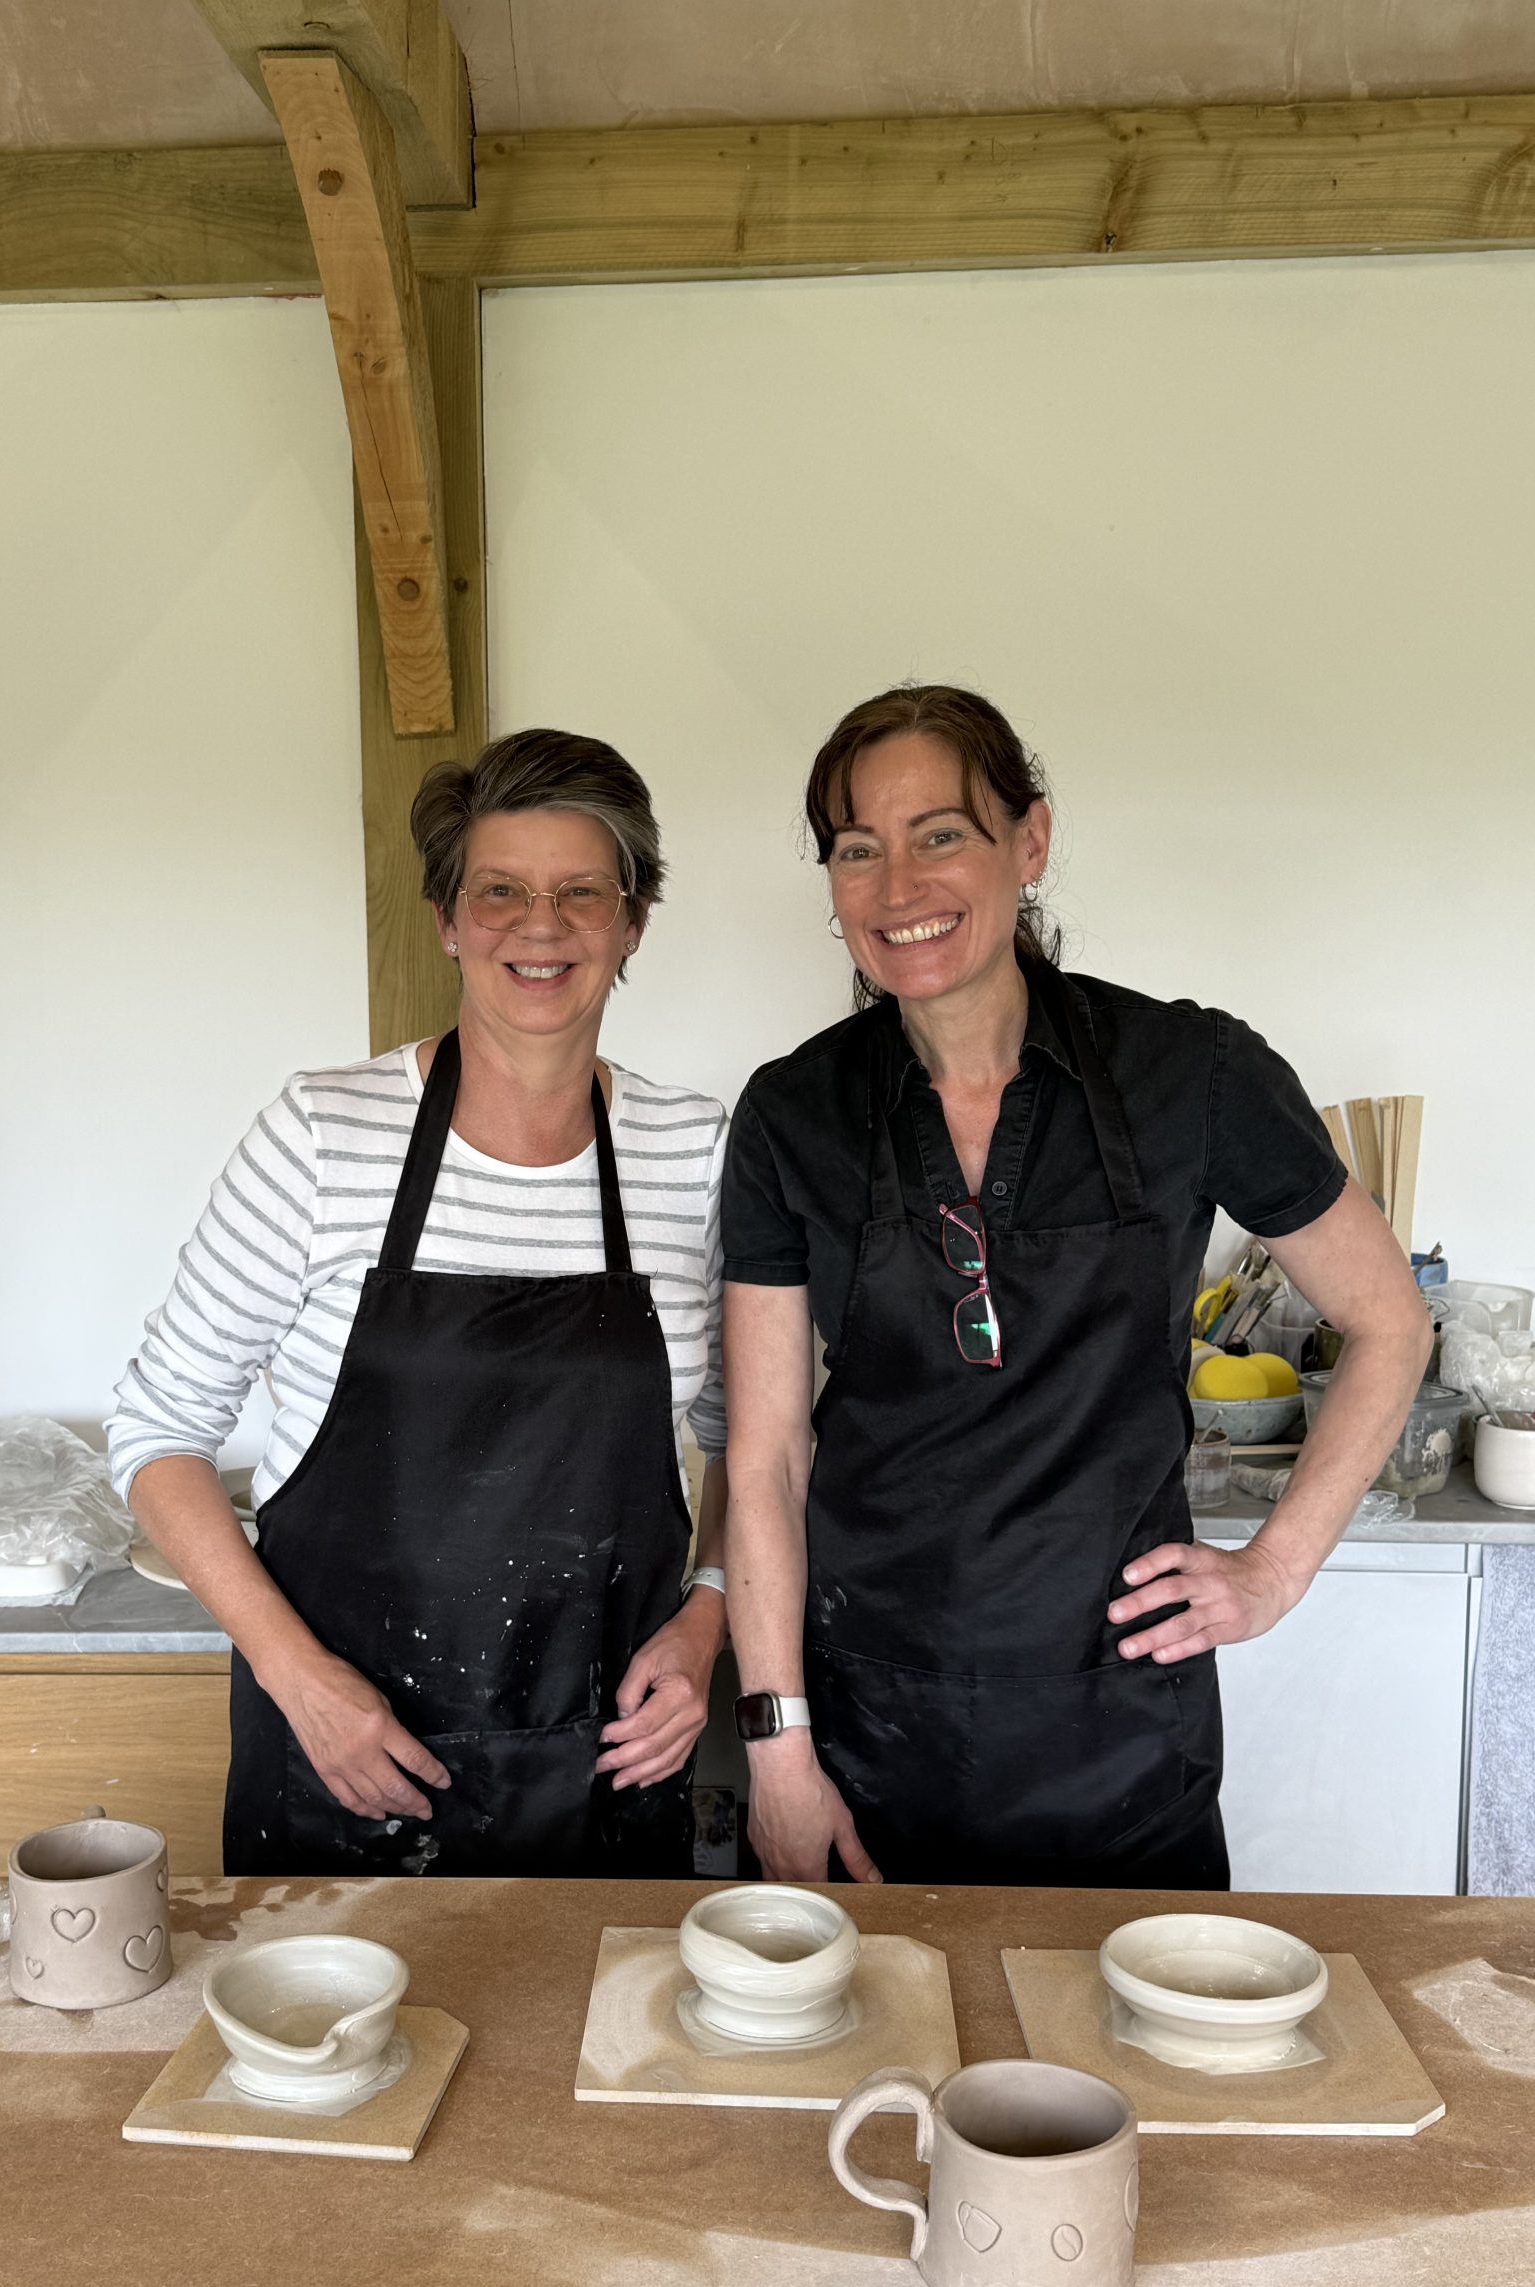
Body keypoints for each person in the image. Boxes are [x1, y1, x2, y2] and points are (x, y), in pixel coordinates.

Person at [721, 684, 1430, 1889]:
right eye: (857, 850)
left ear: (1029, 842)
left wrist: (1272, 1570)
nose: (899, 887)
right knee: (881, 2074)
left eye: (941, 833)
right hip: (869, 1733)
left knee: (1127, 2068)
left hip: (1119, 1739)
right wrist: (779, 1751)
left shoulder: (1190, 1071)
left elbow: (1390, 1321)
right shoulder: (795, 1113)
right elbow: (767, 1460)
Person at [109, 729, 728, 1877]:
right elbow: (157, 1433)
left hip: (601, 1764)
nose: (539, 926)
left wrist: (707, 1616)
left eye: (582, 893)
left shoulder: (694, 1154)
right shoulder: (323, 1134)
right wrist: (300, 1680)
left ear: (631, 924)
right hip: (347, 1754)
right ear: (447, 919)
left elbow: (752, 1441)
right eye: (499, 891)